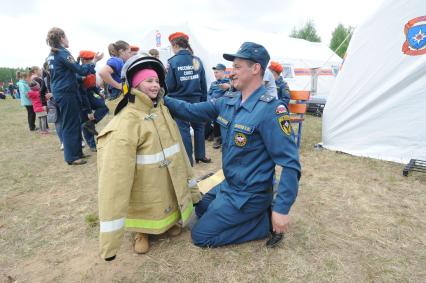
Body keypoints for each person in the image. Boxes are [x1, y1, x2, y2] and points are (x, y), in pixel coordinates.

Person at [164, 42, 301, 248]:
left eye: (237, 67)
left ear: (255, 69)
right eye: (232, 68)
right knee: (200, 208)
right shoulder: (228, 100)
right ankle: (255, 214)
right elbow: (192, 111)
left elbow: (290, 164)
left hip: (250, 193)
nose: (232, 72)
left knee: (201, 236)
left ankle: (263, 224)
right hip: (230, 184)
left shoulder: (271, 110)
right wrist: (162, 99)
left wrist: (281, 209)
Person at [97, 55, 202, 261]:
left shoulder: (162, 109)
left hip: (165, 177)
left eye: (157, 81)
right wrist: (110, 242)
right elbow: (115, 181)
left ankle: (170, 220)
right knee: (145, 196)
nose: (155, 85)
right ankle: (140, 231)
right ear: (135, 85)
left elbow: (178, 149)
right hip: (142, 181)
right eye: (148, 81)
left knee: (165, 190)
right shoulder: (126, 120)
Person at [46, 27, 103, 165]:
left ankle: (77, 152)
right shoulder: (62, 54)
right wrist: (94, 61)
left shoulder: (52, 55)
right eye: (66, 37)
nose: (68, 39)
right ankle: (71, 156)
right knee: (70, 124)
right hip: (66, 92)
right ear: (61, 38)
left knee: (74, 122)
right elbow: (81, 70)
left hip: (63, 91)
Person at [165, 32, 210, 166]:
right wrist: (203, 100)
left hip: (179, 101)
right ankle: (200, 155)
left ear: (175, 45)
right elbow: (203, 82)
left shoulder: (172, 62)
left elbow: (170, 85)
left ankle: (188, 160)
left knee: (184, 130)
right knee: (199, 128)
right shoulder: (196, 60)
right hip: (197, 100)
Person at [207, 63, 231, 149]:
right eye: (214, 72)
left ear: (223, 72)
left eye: (217, 72)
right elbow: (209, 94)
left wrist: (229, 87)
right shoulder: (213, 83)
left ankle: (222, 139)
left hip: (224, 106)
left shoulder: (229, 82)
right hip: (213, 106)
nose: (215, 74)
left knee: (220, 118)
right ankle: (216, 137)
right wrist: (210, 100)